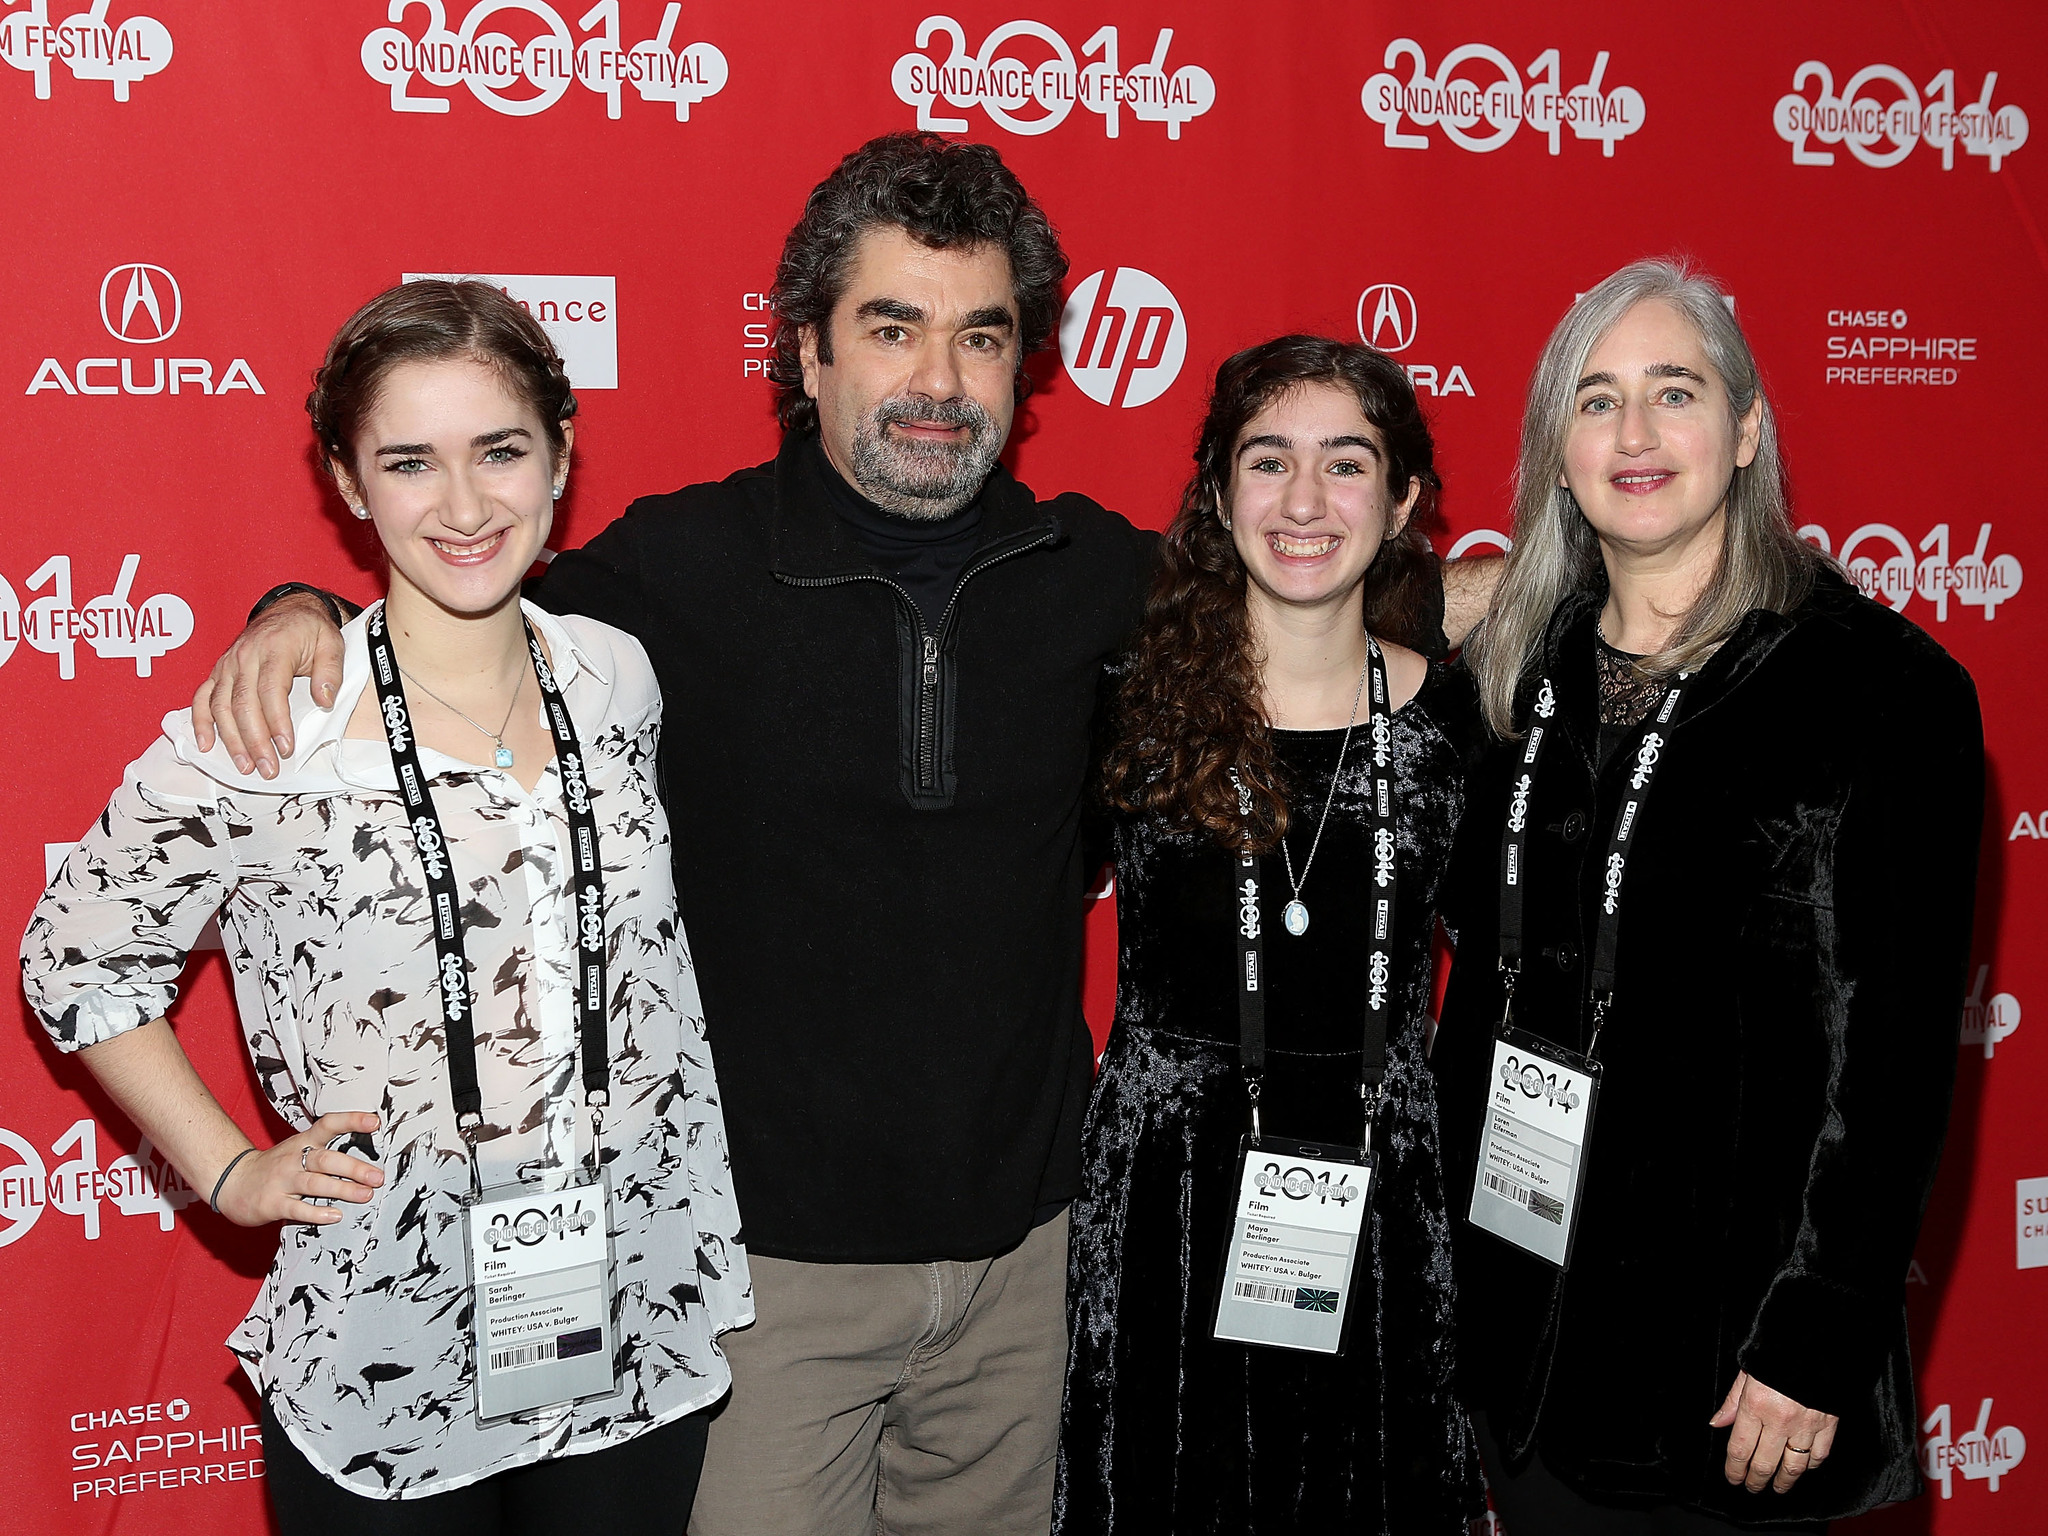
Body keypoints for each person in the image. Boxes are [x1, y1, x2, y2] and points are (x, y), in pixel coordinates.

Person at [184, 134, 1501, 1535]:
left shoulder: (1109, 582)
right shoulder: (676, 571)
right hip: (768, 1285)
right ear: (807, 351)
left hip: (1031, 1273)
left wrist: (1504, 609)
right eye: (892, 328)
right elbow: (465, 580)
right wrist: (300, 609)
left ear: (1023, 367)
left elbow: (1315, 589)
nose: (937, 381)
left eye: (978, 336)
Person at [20, 280, 748, 1534]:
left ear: (561, 456)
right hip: (385, 1347)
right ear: (350, 484)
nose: (463, 508)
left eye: (500, 452)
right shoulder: (270, 730)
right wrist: (229, 1173)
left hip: (627, 1313)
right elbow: (76, 954)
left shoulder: (614, 676)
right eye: (409, 463)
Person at [1432, 259, 1984, 1533]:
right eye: (1594, 399)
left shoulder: (1878, 690)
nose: (1631, 435)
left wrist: (1817, 1336)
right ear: (1554, 447)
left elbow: (1894, 1062)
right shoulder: (1512, 669)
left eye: (1670, 393)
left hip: (1737, 1378)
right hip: (1517, 1348)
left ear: (1742, 432)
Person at [1057, 336, 1485, 1536]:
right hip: (1166, 1204)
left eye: (1345, 465)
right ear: (1215, 491)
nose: (1303, 503)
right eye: (1267, 461)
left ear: (1401, 500)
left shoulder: (1461, 718)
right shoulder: (1129, 707)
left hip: (1383, 1197)